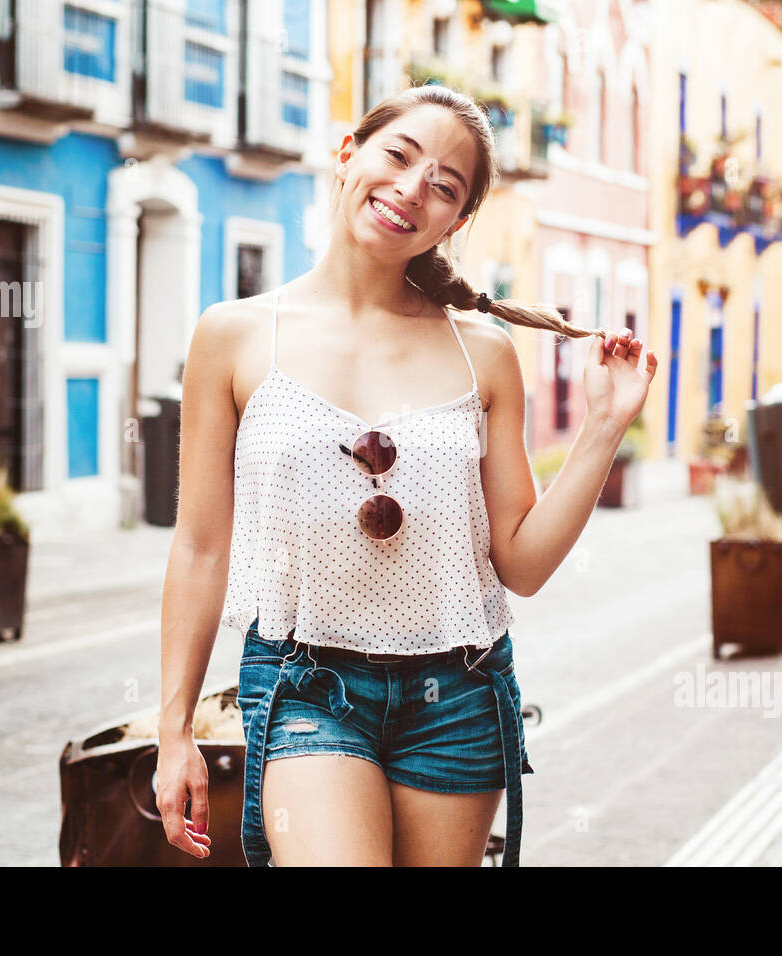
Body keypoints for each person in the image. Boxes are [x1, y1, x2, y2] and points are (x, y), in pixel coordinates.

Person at [154, 84, 656, 867]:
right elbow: (199, 548)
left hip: (459, 695)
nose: (411, 189)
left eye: (445, 186)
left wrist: (603, 428)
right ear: (349, 153)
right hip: (305, 688)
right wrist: (173, 727)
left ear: (456, 222)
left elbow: (520, 565)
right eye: (399, 154)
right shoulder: (233, 337)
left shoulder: (482, 354)